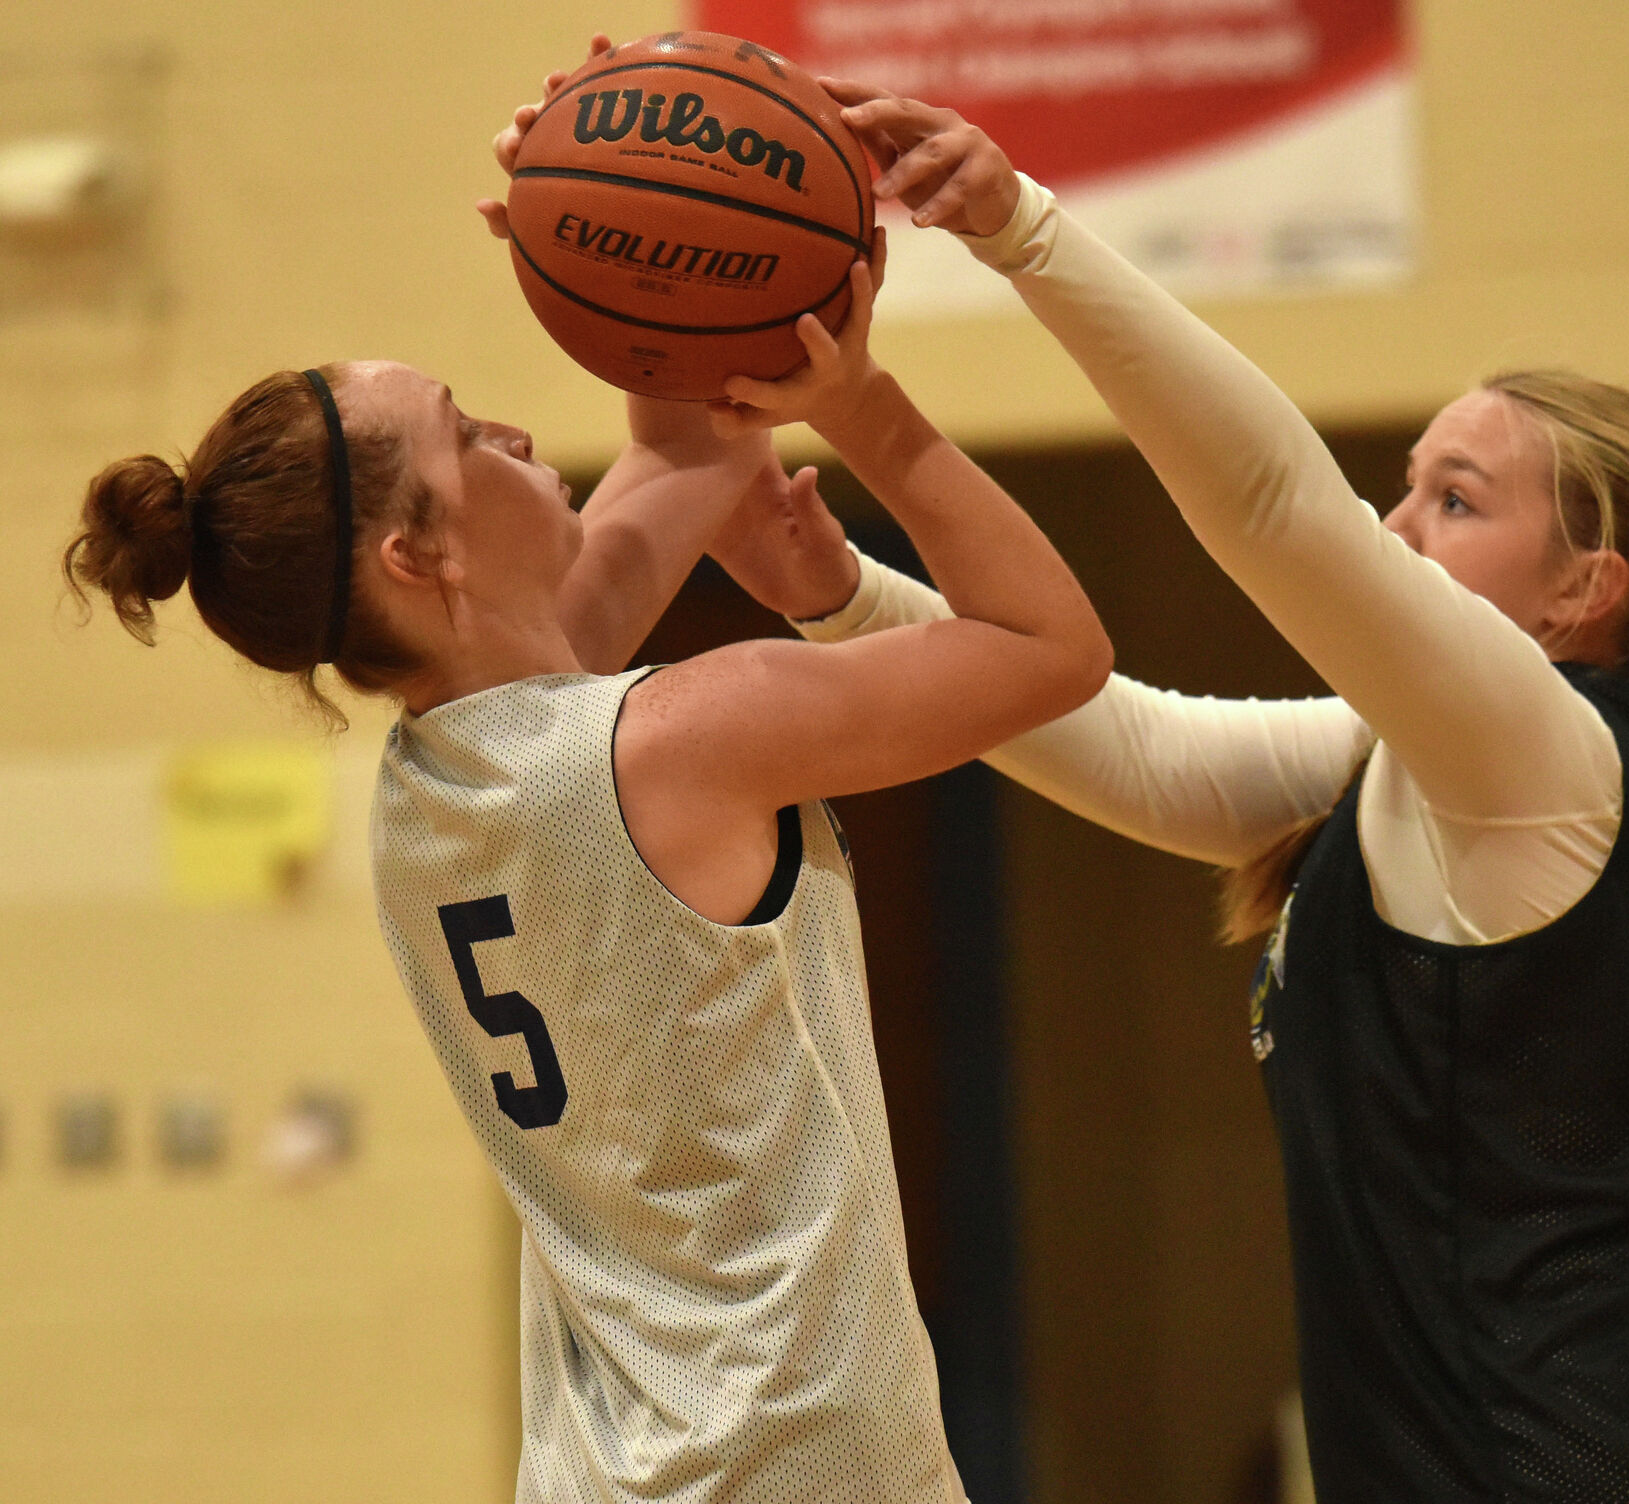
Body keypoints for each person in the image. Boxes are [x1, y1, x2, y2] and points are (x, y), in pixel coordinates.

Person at [704, 86, 1629, 1501]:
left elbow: (1280, 511)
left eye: (1455, 501)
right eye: (1407, 490)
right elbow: (1130, 746)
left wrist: (1019, 230)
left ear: (1587, 589)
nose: (1396, 527)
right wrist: (843, 595)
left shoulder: (1543, 759)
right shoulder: (1454, 764)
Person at [60, 65, 1112, 1503]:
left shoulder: (438, 787)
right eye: (462, 430)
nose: (510, 431)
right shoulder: (682, 738)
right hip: (795, 1462)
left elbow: (692, 438)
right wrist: (863, 404)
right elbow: (1052, 649)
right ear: (418, 558)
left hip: (613, 1470)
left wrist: (621, 239)